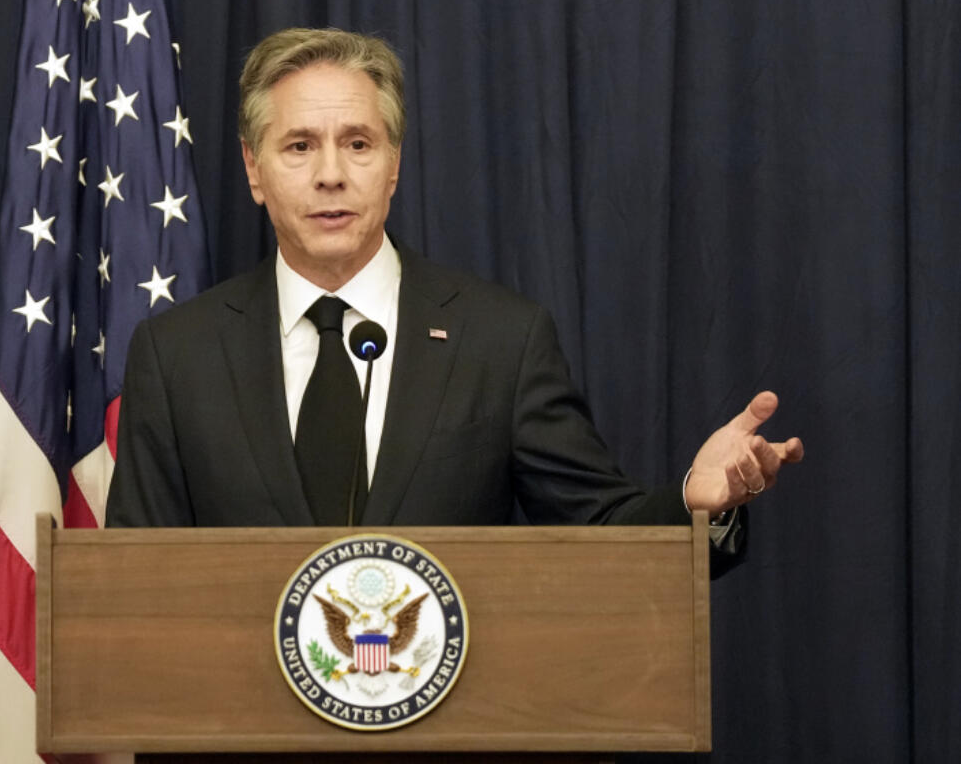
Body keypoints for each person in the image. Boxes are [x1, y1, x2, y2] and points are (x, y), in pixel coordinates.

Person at [105, 28, 803, 566]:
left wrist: (695, 501)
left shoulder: (501, 341)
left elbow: (600, 529)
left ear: (394, 166)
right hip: (240, 742)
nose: (331, 175)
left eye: (357, 143)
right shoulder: (177, 357)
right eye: (297, 147)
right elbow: (133, 580)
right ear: (254, 170)